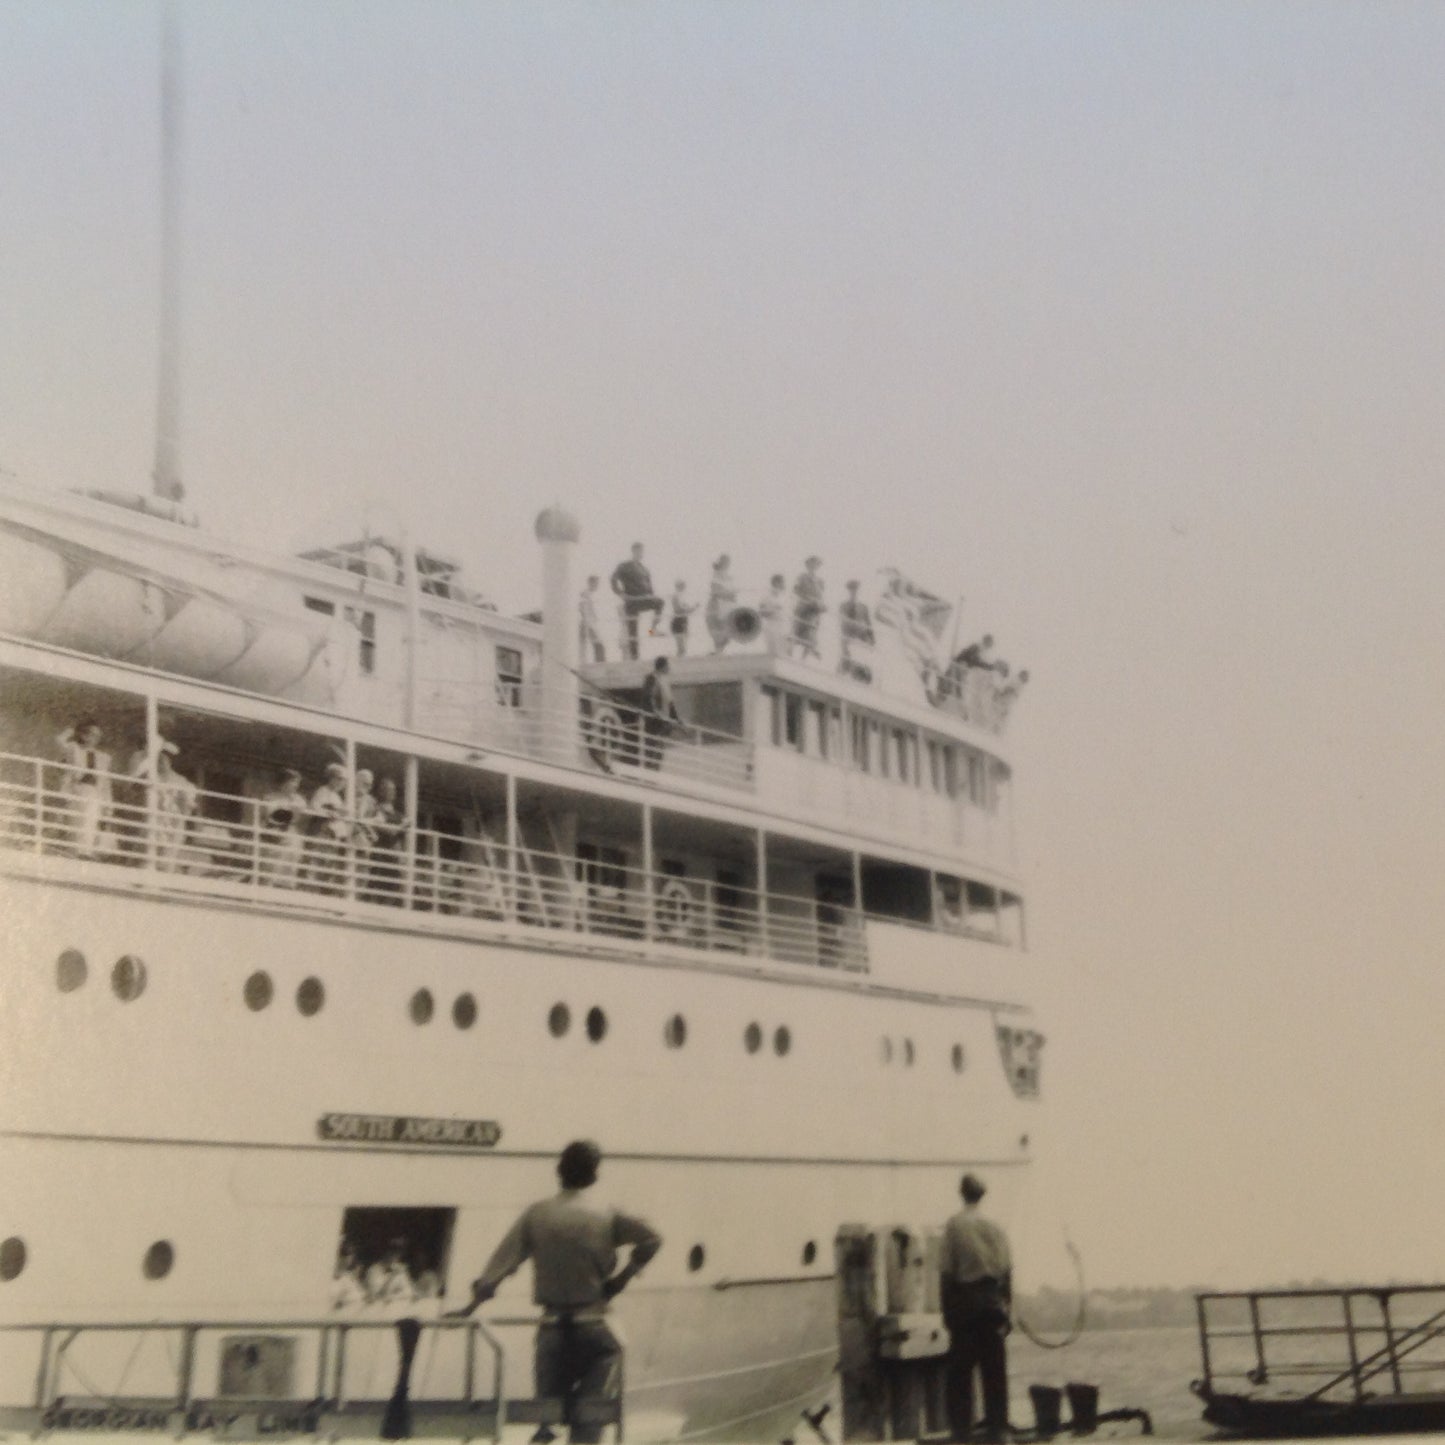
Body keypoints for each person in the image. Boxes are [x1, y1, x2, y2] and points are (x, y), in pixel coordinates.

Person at [453, 1140, 661, 1445]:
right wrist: (622, 1279)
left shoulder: (537, 1214)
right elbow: (653, 1239)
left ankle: (545, 1431)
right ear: (595, 1175)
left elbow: (498, 1269)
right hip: (596, 1327)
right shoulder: (607, 1214)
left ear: (559, 1171)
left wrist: (469, 1309)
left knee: (546, 1421)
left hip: (552, 1329)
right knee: (589, 1428)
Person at [940, 1172, 1012, 1444]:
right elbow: (1007, 1272)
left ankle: (961, 1434)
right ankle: (999, 1431)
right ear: (982, 1195)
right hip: (994, 1302)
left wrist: (947, 1311)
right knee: (995, 1372)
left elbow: (947, 1274)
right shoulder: (996, 1225)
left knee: (960, 1373)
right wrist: (1008, 1309)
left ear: (962, 1194)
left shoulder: (954, 1225)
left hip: (966, 1302)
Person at [130, 739, 198, 871]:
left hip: (172, 824)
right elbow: (134, 789)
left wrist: (180, 802)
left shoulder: (181, 781)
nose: (160, 762)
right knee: (146, 859)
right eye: (157, 759)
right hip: (153, 821)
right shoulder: (150, 776)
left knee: (166, 862)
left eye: (164, 759)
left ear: (170, 761)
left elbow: (186, 808)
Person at [55, 718, 113, 857]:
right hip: (77, 790)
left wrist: (108, 808)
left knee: (90, 821)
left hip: (94, 792)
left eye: (97, 735)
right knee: (76, 822)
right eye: (91, 734)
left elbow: (106, 784)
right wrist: (71, 731)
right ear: (83, 734)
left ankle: (85, 852)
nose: (94, 738)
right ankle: (76, 851)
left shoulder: (103, 757)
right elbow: (59, 740)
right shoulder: (73, 749)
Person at [609, 543, 663, 661]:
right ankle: (635, 658)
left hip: (643, 599)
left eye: (642, 551)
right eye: (638, 551)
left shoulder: (644, 569)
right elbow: (613, 580)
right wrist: (621, 594)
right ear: (633, 551)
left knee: (659, 602)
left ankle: (652, 630)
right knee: (633, 630)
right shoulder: (624, 566)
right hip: (631, 601)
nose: (641, 554)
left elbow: (650, 587)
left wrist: (651, 595)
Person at [306, 762, 350, 893]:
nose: (342, 783)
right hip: (322, 833)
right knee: (315, 865)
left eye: (343, 780)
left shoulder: (337, 796)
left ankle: (322, 894)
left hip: (333, 837)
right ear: (332, 778)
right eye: (340, 779)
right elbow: (315, 807)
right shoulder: (322, 791)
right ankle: (311, 894)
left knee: (328, 867)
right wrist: (330, 812)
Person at [260, 767, 307, 888]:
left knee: (292, 853)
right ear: (283, 782)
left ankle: (284, 888)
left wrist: (292, 809)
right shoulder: (270, 797)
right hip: (273, 832)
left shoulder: (298, 800)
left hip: (289, 833)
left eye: (297, 782)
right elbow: (271, 816)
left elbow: (297, 816)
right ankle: (266, 887)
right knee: (271, 864)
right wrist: (289, 811)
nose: (295, 785)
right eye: (292, 781)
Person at [639, 656, 683, 770]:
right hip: (654, 721)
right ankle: (649, 777)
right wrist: (655, 714)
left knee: (658, 751)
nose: (669, 668)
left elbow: (670, 702)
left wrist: (676, 719)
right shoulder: (651, 678)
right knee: (651, 750)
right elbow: (648, 698)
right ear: (663, 666)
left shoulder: (663, 680)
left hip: (662, 722)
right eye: (668, 665)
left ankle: (654, 775)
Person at [367, 776, 405, 903]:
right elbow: (390, 830)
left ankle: (385, 906)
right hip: (381, 851)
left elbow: (404, 826)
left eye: (393, 789)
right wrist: (402, 826)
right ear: (381, 791)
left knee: (397, 883)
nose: (392, 792)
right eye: (388, 789)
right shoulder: (377, 809)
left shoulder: (397, 813)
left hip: (394, 853)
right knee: (377, 882)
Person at [838, 580, 875, 682]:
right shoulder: (843, 606)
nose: (854, 592)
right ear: (849, 591)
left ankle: (863, 681)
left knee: (863, 666)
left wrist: (871, 640)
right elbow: (844, 622)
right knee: (847, 663)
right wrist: (857, 626)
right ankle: (840, 678)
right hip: (849, 639)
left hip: (861, 641)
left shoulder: (864, 607)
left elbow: (869, 625)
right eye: (852, 590)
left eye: (855, 590)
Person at [791, 556, 825, 660]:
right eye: (811, 564)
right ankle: (790, 653)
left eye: (816, 564)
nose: (813, 566)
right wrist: (807, 598)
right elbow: (796, 590)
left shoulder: (820, 581)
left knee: (811, 633)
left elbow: (821, 596)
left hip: (814, 611)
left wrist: (819, 604)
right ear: (807, 565)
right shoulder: (801, 577)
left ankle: (804, 658)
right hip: (803, 608)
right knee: (796, 632)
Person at [704, 555, 738, 653]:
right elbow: (715, 591)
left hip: (728, 606)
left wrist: (732, 595)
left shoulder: (729, 577)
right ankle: (718, 652)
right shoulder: (717, 575)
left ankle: (718, 651)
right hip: (718, 606)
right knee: (719, 631)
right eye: (726, 562)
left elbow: (732, 592)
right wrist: (729, 595)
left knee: (728, 632)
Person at [758, 574, 788, 655]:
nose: (783, 584)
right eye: (781, 582)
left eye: (783, 582)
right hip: (771, 624)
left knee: (783, 649)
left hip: (783, 624)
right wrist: (773, 611)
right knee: (772, 648)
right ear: (775, 583)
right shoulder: (766, 596)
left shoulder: (784, 596)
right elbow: (761, 611)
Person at [579, 576, 605, 663]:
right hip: (588, 623)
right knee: (599, 645)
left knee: (587, 644)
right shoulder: (585, 594)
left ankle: (589, 661)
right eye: (596, 583)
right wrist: (588, 621)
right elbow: (582, 608)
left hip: (590, 622)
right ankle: (600, 663)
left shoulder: (589, 595)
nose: (597, 586)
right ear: (591, 583)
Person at [668, 580, 697, 657]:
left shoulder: (682, 596)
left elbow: (684, 610)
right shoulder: (676, 596)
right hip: (678, 620)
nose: (683, 588)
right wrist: (691, 608)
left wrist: (694, 607)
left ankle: (681, 657)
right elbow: (678, 609)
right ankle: (680, 657)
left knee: (683, 645)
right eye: (681, 586)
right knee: (681, 645)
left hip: (683, 620)